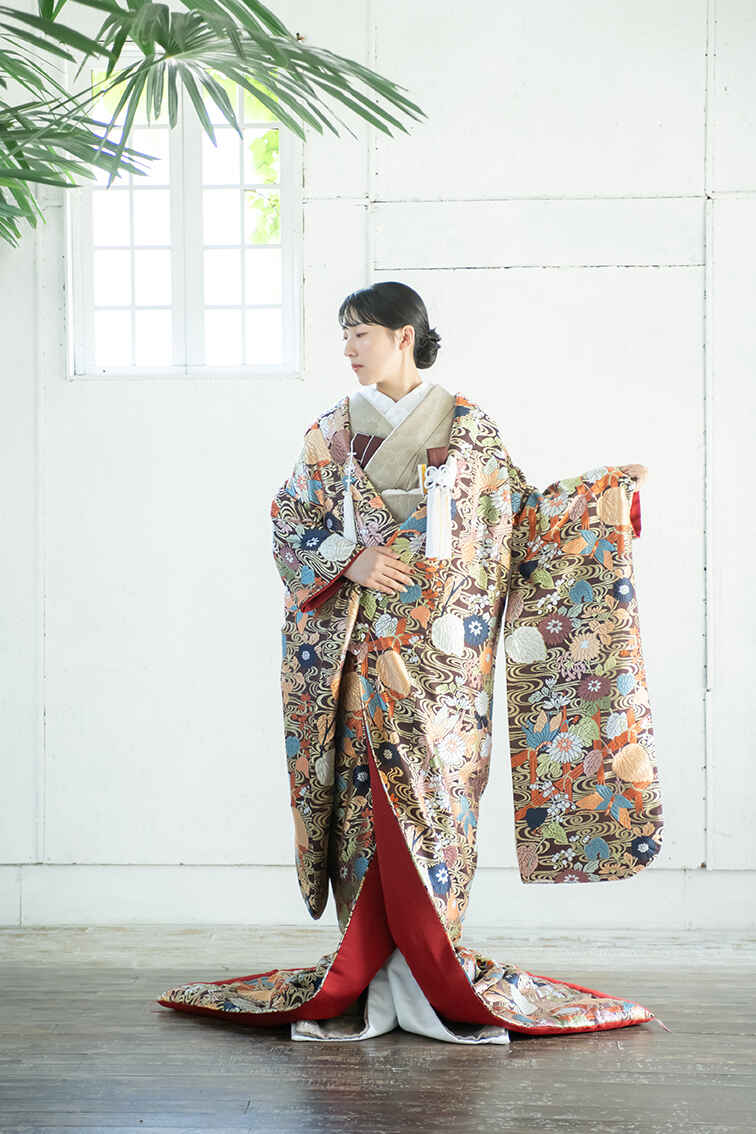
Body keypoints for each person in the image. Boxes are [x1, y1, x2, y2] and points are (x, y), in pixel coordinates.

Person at [157, 281, 665, 1043]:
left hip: (444, 662)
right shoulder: (331, 432)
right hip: (357, 649)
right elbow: (289, 516)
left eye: (359, 333)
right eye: (344, 334)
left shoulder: (469, 428)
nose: (348, 348)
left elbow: (519, 521)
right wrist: (350, 559)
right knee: (362, 801)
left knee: (440, 801)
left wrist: (599, 501)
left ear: (404, 335)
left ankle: (434, 971)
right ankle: (364, 970)